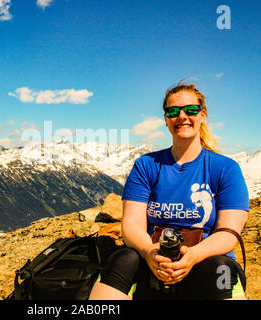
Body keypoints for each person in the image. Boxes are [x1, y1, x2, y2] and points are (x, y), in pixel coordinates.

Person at [89, 80, 249, 300]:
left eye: (191, 110)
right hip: (153, 262)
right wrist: (149, 252)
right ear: (165, 120)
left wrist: (193, 255)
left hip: (205, 262)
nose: (182, 116)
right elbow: (132, 225)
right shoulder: (146, 165)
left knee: (223, 268)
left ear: (202, 115)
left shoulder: (226, 169)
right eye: (173, 111)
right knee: (123, 259)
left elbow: (228, 234)